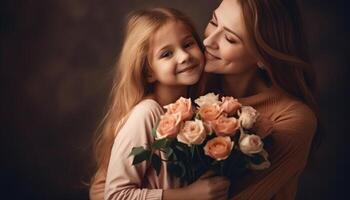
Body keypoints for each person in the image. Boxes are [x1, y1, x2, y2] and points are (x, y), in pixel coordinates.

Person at [89, 7, 231, 200]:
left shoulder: (199, 109)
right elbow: (116, 195)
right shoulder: (146, 114)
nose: (184, 56)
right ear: (149, 72)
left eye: (188, 44)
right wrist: (189, 195)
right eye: (166, 54)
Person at [201, 0, 320, 199]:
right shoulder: (192, 81)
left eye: (230, 38)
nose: (207, 41)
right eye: (213, 22)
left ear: (262, 57)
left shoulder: (293, 118)